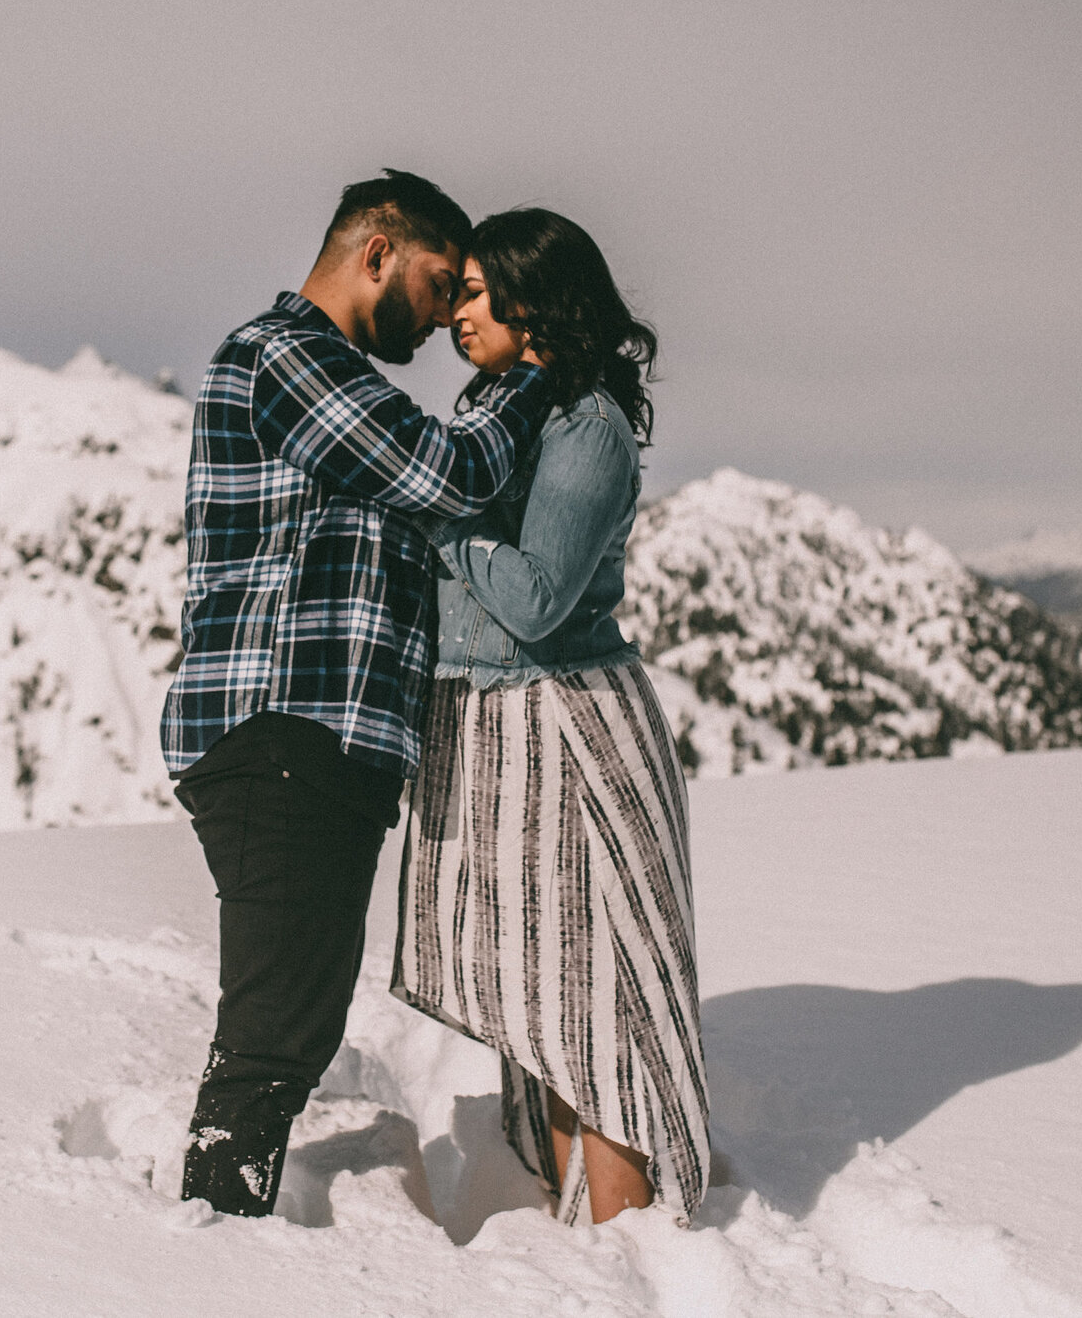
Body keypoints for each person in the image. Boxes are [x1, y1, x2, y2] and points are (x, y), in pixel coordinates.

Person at [160, 170, 554, 1219]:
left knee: (292, 1017)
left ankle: (218, 1222)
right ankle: (207, 1242)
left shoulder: (320, 374)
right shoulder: (286, 356)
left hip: (319, 741)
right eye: (435, 284)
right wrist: (538, 372)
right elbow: (448, 472)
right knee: (274, 1029)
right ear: (375, 250)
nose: (437, 317)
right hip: (285, 728)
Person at [391, 208, 708, 1226]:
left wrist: (444, 517)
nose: (455, 313)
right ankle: (577, 1234)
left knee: (594, 995)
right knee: (545, 991)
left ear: (538, 305)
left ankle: (626, 1249)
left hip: (564, 725)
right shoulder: (508, 409)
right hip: (495, 722)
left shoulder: (586, 424)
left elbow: (535, 598)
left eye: (478, 292)